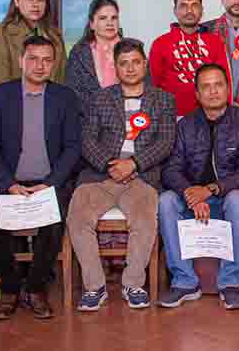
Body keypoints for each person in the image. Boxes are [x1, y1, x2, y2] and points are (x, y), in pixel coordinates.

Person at [68, 38, 176, 312]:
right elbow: (87, 140)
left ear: (145, 64)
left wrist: (134, 164)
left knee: (145, 219)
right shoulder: (100, 99)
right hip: (100, 176)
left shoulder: (163, 100)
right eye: (123, 63)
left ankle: (133, 284)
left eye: (135, 62)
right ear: (115, 68)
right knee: (78, 215)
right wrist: (110, 165)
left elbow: (165, 142)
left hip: (142, 177)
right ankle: (95, 287)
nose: (130, 68)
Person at [0, 35, 80, 320]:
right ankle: (10, 289)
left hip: (49, 183)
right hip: (9, 183)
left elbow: (73, 147)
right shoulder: (0, 95)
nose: (40, 65)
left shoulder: (65, 98)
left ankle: (35, 289)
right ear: (21, 60)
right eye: (33, 59)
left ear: (54, 64)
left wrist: (50, 183)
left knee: (53, 228)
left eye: (47, 60)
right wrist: (9, 184)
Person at [158, 63, 239, 310]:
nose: (213, 91)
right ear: (197, 93)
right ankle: (185, 282)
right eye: (206, 87)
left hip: (226, 197)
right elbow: (171, 169)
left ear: (228, 89)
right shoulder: (185, 125)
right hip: (193, 198)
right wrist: (190, 194)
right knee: (166, 200)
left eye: (218, 85)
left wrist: (211, 189)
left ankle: (231, 283)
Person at [149, 0, 228, 119]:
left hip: (211, 114)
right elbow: (155, 84)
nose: (189, 11)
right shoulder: (160, 44)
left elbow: (224, 80)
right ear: (175, 11)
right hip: (173, 115)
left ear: (202, 10)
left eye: (194, 5)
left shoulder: (215, 42)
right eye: (183, 6)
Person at [66, 0, 152, 111]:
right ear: (92, 24)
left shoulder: (134, 48)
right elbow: (74, 94)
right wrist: (101, 115)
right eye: (103, 18)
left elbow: (148, 87)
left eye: (114, 18)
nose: (109, 23)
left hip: (132, 115)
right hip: (90, 117)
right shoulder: (79, 53)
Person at [0, 0, 66, 85]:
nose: (35, 4)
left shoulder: (55, 35)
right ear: (16, 1)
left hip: (53, 95)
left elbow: (62, 79)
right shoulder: (2, 32)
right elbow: (0, 84)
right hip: (15, 95)